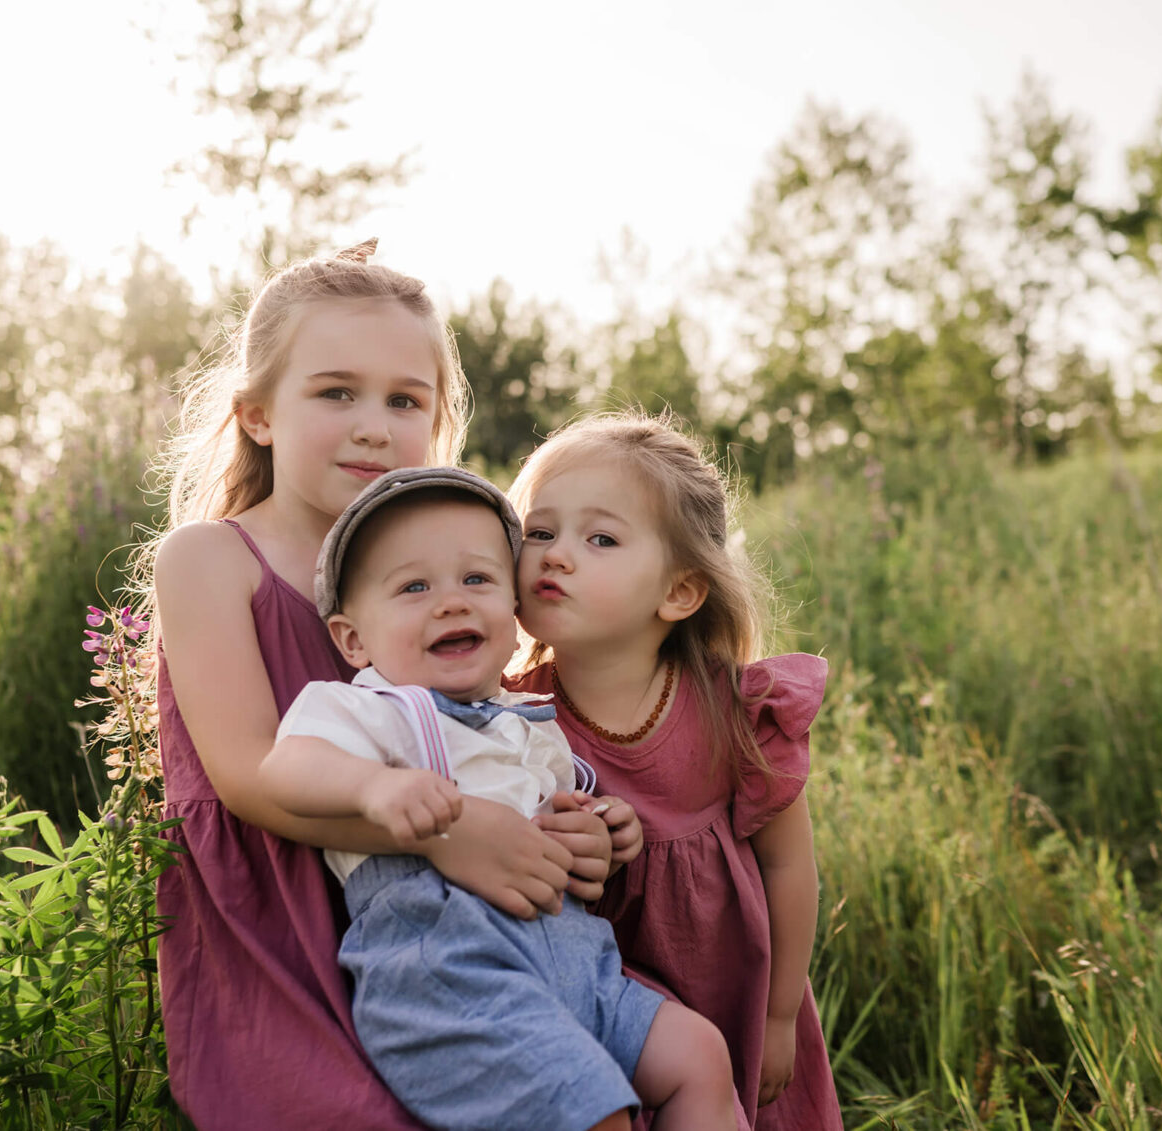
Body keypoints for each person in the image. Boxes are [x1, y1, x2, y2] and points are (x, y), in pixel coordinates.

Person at [145, 242, 621, 1130]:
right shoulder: (210, 559)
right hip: (279, 912)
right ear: (257, 415)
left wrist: (563, 825)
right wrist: (450, 833)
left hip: (463, 929)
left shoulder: (452, 562)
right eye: (336, 392)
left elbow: (494, 725)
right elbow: (247, 775)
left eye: (406, 400)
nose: (374, 425)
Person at [258, 466, 735, 1131]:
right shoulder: (373, 708)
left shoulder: (531, 720)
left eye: (477, 579)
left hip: (579, 965)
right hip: (451, 977)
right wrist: (376, 786)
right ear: (353, 639)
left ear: (515, 615)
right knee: (596, 1112)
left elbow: (569, 839)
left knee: (701, 1055)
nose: (451, 602)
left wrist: (601, 835)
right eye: (414, 586)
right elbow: (285, 768)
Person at [508, 411, 846, 1131]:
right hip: (600, 984)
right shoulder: (510, 715)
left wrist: (782, 1011)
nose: (556, 555)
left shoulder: (735, 708)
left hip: (730, 979)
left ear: (680, 592)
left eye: (599, 538)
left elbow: (789, 866)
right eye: (539, 531)